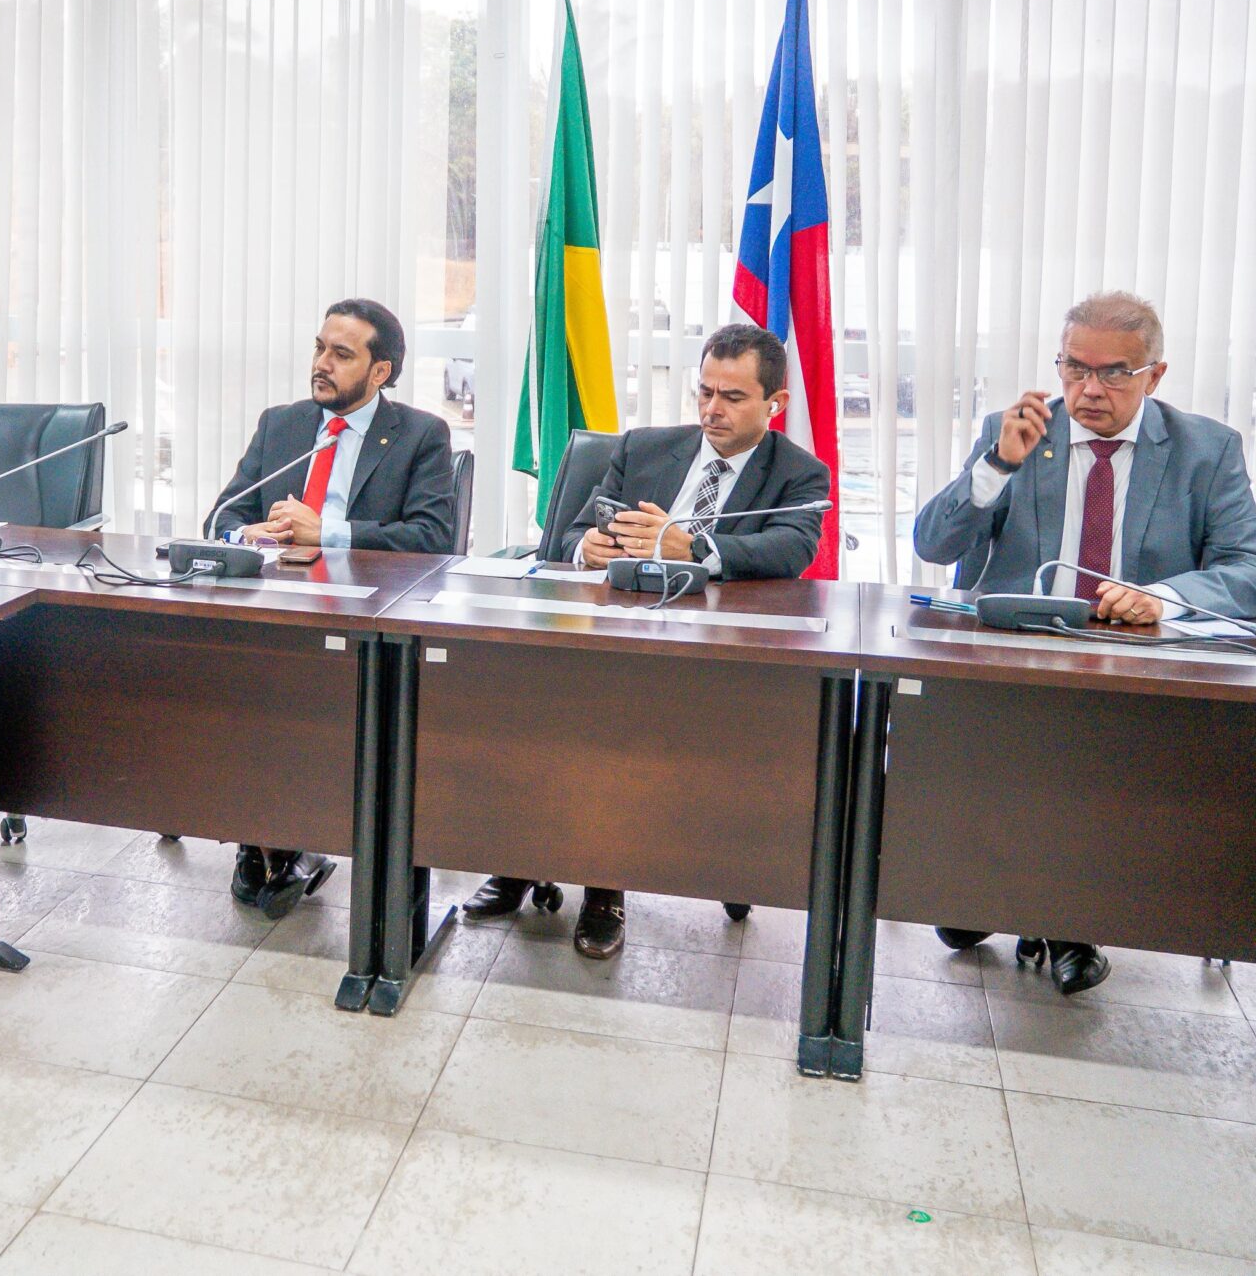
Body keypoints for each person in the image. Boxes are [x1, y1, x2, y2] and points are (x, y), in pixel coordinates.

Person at [913, 290, 1256, 995]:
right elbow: (934, 542)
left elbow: (1255, 572)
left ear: (1155, 375)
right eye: (1074, 368)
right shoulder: (1016, 430)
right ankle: (1008, 897)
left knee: (1086, 749)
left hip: (1131, 676)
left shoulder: (1206, 449)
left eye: (1114, 373)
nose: (1088, 389)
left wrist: (1165, 598)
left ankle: (1060, 916)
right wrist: (996, 465)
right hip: (1015, 665)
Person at [464, 324, 831, 958]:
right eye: (705, 391)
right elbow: (569, 534)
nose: (712, 409)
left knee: (618, 721)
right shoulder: (644, 449)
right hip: (612, 636)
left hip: (716, 655)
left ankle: (606, 885)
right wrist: (589, 546)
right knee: (524, 701)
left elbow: (792, 548)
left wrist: (697, 548)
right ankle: (519, 856)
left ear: (776, 404)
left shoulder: (800, 473)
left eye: (733, 397)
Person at [214, 299, 457, 919]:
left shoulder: (421, 435)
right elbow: (224, 516)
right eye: (320, 348)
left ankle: (284, 843)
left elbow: (433, 536)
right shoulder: (284, 425)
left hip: (368, 620)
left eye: (341, 354)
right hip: (275, 611)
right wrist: (250, 535)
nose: (321, 364)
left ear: (381, 372)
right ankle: (264, 837)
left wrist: (330, 532)